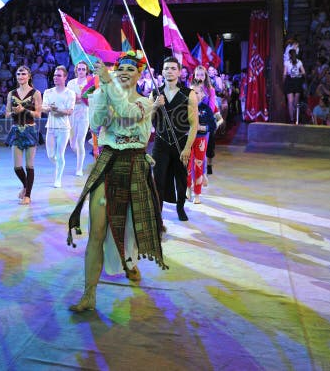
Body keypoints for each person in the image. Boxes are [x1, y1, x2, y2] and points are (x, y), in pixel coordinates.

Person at [68, 51, 166, 313]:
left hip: (135, 164)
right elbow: (96, 122)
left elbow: (126, 112)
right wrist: (102, 89)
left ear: (140, 75)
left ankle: (130, 263)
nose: (124, 72)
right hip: (108, 161)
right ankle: (89, 294)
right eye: (120, 68)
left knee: (131, 228)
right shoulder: (105, 92)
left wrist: (108, 83)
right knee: (96, 232)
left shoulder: (145, 103)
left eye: (130, 69)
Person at [151, 57, 199, 221]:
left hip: (181, 143)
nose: (169, 71)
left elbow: (194, 124)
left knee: (181, 179)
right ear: (162, 72)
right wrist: (155, 105)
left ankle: (180, 208)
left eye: (173, 68)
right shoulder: (155, 93)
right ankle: (158, 212)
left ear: (179, 72)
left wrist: (187, 148)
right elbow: (147, 119)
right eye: (166, 68)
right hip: (160, 143)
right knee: (158, 179)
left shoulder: (188, 94)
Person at [5, 65, 42, 205]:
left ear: (29, 76)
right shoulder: (11, 93)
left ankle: (28, 196)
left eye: (23, 74)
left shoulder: (36, 93)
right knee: (17, 167)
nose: (21, 76)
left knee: (29, 165)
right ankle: (26, 186)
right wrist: (14, 112)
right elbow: (7, 114)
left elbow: (38, 114)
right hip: (16, 131)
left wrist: (24, 110)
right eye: (18, 74)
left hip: (30, 131)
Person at [187, 66, 218, 204]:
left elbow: (211, 111)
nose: (199, 77)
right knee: (188, 162)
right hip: (189, 134)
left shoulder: (210, 91)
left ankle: (201, 179)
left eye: (202, 74)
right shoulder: (189, 92)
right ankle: (188, 187)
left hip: (202, 132)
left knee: (200, 158)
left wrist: (202, 124)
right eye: (197, 74)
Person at [42, 65, 75, 188]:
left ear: (65, 77)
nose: (56, 77)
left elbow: (69, 111)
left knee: (60, 155)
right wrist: (50, 108)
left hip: (63, 128)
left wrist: (58, 109)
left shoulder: (70, 93)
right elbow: (43, 108)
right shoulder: (48, 92)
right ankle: (59, 166)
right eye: (55, 75)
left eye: (59, 75)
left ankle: (58, 179)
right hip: (50, 127)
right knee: (51, 155)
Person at [67, 61, 92, 176]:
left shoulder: (90, 82)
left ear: (86, 71)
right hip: (72, 114)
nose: (81, 71)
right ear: (76, 70)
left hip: (84, 114)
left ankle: (79, 169)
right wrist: (78, 97)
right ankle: (81, 155)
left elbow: (90, 98)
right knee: (73, 145)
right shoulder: (71, 83)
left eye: (83, 69)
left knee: (80, 141)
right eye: (79, 69)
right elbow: (69, 98)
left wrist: (81, 97)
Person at [284, 49, 306, 123]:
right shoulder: (295, 62)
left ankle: (292, 118)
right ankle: (293, 118)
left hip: (292, 81)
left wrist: (283, 81)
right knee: (293, 102)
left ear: (290, 55)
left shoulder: (292, 62)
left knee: (292, 102)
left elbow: (284, 74)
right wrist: (298, 74)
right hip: (294, 81)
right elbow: (304, 72)